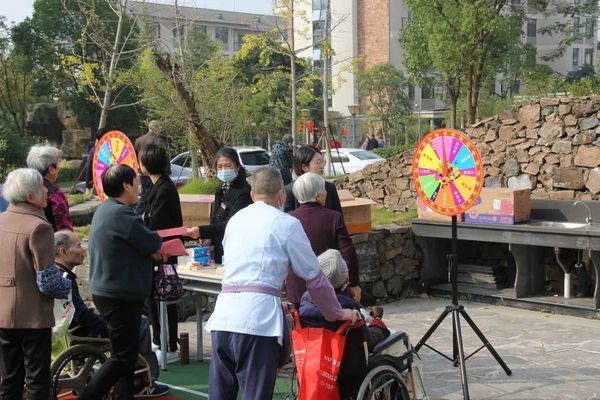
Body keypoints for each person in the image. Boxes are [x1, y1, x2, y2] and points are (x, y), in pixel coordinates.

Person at [204, 166, 360, 400]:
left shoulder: (235, 221)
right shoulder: (286, 224)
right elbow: (315, 278)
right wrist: (338, 312)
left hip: (223, 317)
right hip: (258, 321)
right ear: (281, 195)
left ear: (252, 195)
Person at [77, 164, 163, 400]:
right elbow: (152, 242)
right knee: (123, 356)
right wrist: (153, 249)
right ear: (125, 185)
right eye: (136, 182)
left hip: (110, 290)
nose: (139, 187)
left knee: (126, 353)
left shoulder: (107, 209)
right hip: (119, 294)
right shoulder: (122, 214)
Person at [54, 230, 169, 397]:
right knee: (141, 321)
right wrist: (108, 327)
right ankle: (144, 380)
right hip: (81, 331)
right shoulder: (64, 278)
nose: (84, 249)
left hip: (69, 327)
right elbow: (80, 315)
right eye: (78, 245)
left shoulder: (54, 274)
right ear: (63, 252)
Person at [300, 249, 389, 399]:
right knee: (397, 344)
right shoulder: (349, 311)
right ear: (345, 279)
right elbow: (369, 341)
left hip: (315, 369)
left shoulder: (304, 306)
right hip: (349, 376)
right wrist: (378, 322)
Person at [0, 168, 53, 400]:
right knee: (36, 379)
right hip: (32, 315)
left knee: (10, 378)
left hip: (3, 312)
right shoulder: (39, 227)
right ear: (31, 196)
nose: (46, 190)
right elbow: (47, 281)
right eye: (42, 186)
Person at [139, 142, 183, 361]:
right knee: (153, 299)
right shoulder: (154, 186)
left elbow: (155, 222)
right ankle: (159, 341)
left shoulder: (165, 188)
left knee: (165, 297)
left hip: (164, 252)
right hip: (155, 252)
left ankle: (169, 345)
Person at [288, 172, 361, 304]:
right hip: (329, 286)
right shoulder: (333, 218)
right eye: (324, 190)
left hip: (297, 289)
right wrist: (354, 284)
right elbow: (347, 253)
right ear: (318, 196)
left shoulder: (288, 219)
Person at [187, 147, 252, 264]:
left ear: (237, 167)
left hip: (235, 251)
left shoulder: (244, 191)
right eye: (220, 166)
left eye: (228, 166)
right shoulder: (220, 189)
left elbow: (231, 225)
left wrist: (201, 231)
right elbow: (216, 219)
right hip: (219, 249)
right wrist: (209, 238)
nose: (223, 170)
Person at [283, 145, 342, 214]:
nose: (322, 165)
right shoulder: (289, 191)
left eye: (323, 161)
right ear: (304, 167)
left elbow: (338, 216)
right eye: (318, 162)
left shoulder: (329, 187)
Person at [27, 144, 73, 231]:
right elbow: (65, 229)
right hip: (51, 240)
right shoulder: (55, 194)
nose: (59, 168)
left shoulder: (24, 189)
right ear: (51, 169)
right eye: (58, 163)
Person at [134, 120, 167, 215]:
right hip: (155, 172)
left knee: (144, 194)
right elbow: (163, 157)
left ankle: (139, 213)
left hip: (143, 172)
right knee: (155, 194)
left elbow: (134, 156)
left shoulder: (138, 140)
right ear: (156, 129)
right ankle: (147, 213)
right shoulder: (158, 141)